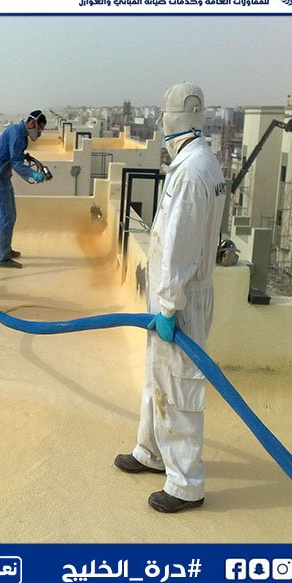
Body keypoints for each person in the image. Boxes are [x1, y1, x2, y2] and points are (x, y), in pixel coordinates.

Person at [114, 82, 226, 513]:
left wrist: (168, 305)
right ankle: (151, 451)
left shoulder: (192, 172)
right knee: (157, 378)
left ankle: (185, 483)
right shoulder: (199, 162)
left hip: (180, 300)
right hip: (175, 296)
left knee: (179, 388)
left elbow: (180, 244)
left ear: (171, 120)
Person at [0, 110, 47, 269]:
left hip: (4, 178)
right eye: (39, 129)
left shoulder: (20, 134)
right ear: (32, 123)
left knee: (11, 216)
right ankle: (4, 258)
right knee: (6, 218)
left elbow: (15, 156)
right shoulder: (17, 133)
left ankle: (5, 249)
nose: (39, 133)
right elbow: (15, 162)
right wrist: (33, 174)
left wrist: (25, 157)